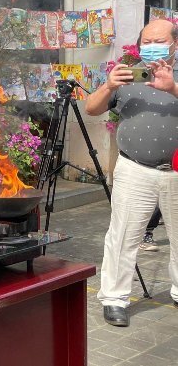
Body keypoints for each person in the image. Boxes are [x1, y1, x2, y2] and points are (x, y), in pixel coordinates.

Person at [85, 19, 178, 327]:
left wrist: (173, 88)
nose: (151, 48)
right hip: (135, 168)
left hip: (176, 172)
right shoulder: (127, 72)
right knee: (123, 235)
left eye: (158, 41)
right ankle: (113, 297)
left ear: (174, 43)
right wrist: (109, 85)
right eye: (146, 42)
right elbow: (91, 108)